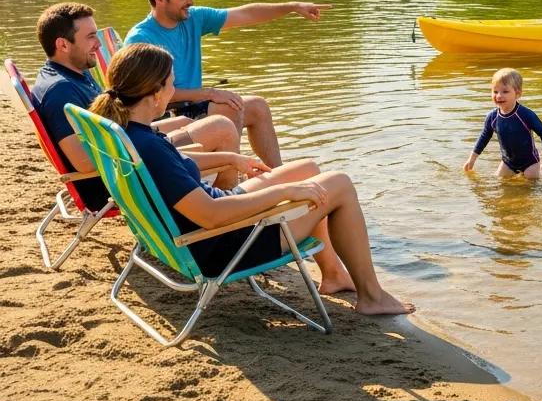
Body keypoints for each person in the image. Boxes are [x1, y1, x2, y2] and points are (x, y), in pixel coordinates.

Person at [90, 43, 414, 312]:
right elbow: (212, 215)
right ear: (156, 92)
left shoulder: (130, 134)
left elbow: (175, 165)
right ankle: (371, 296)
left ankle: (333, 275)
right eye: (171, 83)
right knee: (339, 184)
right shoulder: (149, 145)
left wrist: (231, 158)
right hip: (225, 245)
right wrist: (283, 192)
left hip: (212, 226)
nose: (174, 90)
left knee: (309, 169)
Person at [32, 3, 244, 206]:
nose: (98, 43)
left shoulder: (72, 74)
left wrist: (152, 132)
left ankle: (210, 196)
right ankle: (220, 212)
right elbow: (84, 162)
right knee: (222, 130)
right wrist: (154, 145)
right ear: (63, 44)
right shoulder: (61, 91)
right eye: (90, 37)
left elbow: (108, 126)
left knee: (192, 122)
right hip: (120, 174)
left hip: (126, 152)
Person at [124, 0, 332, 168]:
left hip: (193, 105)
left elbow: (247, 14)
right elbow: (147, 95)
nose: (191, 1)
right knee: (228, 106)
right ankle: (230, 181)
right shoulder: (141, 39)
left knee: (257, 106)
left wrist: (293, 7)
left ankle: (276, 174)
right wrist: (210, 93)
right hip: (166, 115)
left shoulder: (193, 18)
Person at [464, 68, 542, 179]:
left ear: (517, 94)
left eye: (505, 91)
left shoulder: (525, 114)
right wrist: (472, 159)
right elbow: (484, 137)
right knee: (499, 182)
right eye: (495, 91)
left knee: (531, 185)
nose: (499, 96)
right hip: (508, 162)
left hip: (530, 162)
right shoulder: (492, 117)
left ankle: (539, 170)